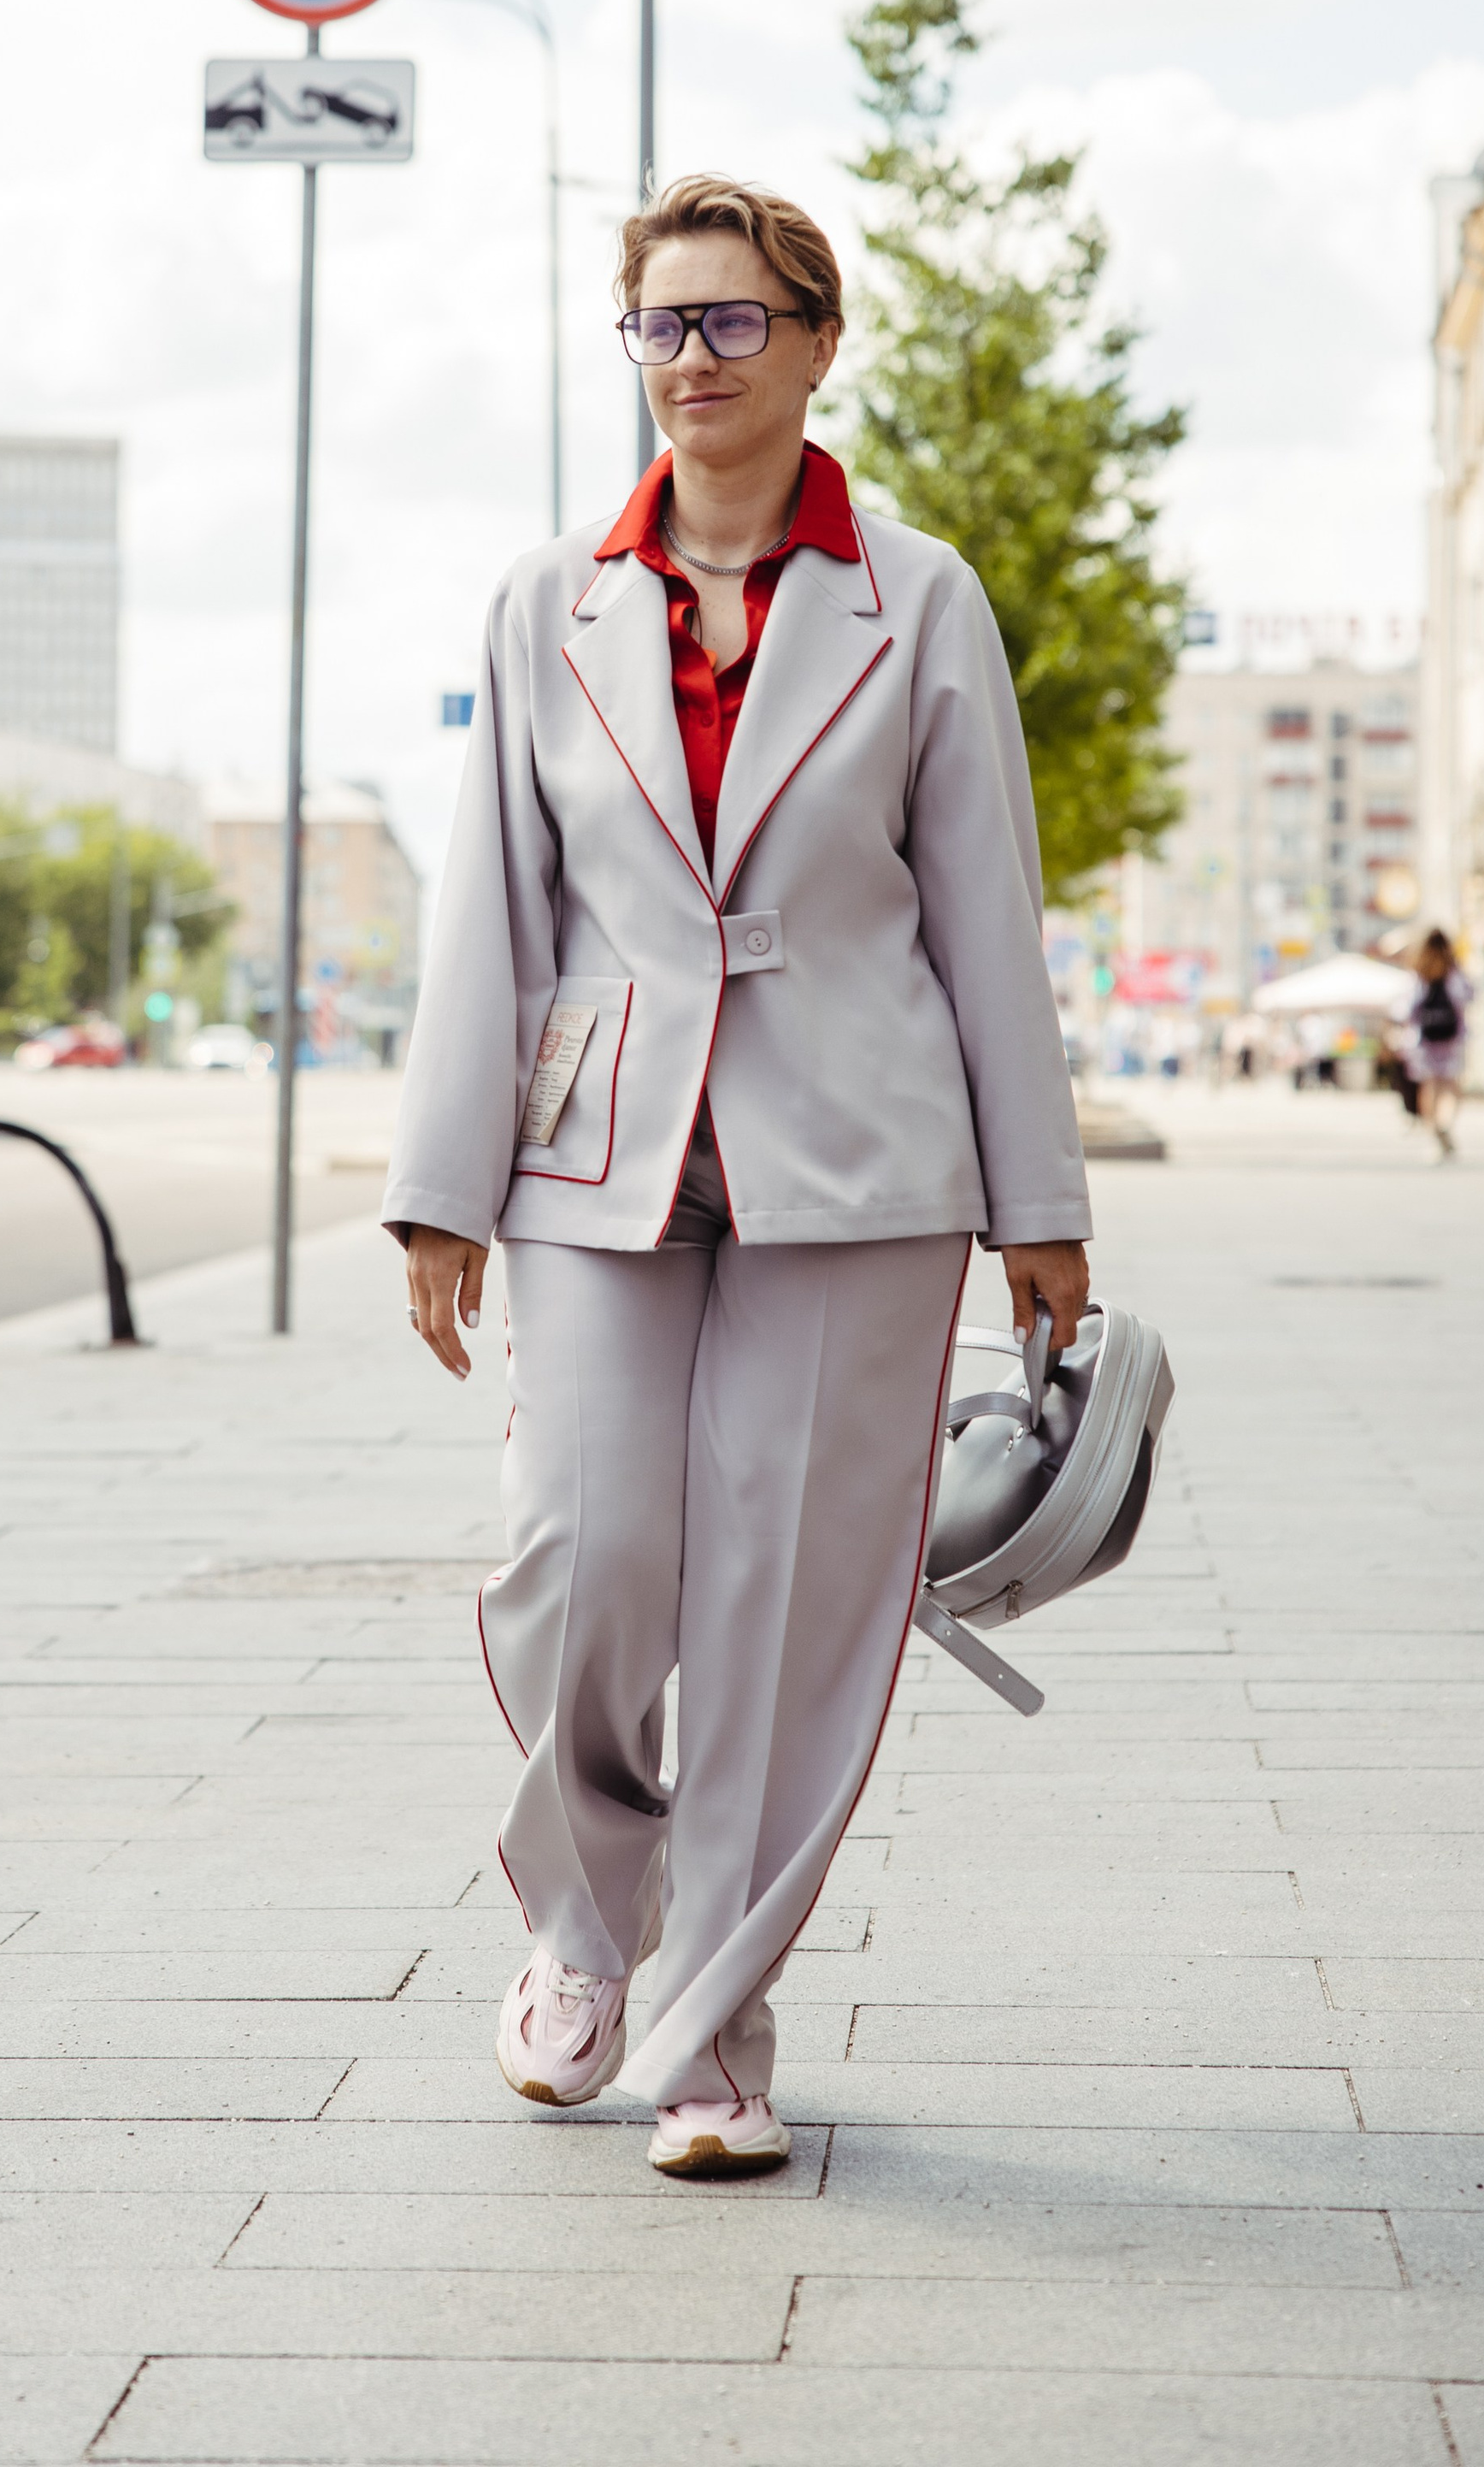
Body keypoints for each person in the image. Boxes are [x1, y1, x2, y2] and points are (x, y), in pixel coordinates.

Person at [383, 174, 1090, 2181]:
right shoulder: (544, 603)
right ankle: (580, 1926)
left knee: (783, 1598)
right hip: (598, 1149)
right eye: (658, 324)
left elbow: (983, 910)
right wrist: (440, 1191)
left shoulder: (916, 598)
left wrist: (1036, 1202)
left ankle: (710, 2033)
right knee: (582, 1549)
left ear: (813, 342)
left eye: (728, 321)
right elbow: (490, 909)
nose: (688, 358)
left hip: (857, 1160)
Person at [1404, 926, 1471, 1157]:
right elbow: (1468, 995)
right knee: (1451, 1084)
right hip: (1452, 1037)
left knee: (1430, 1085)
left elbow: (1408, 1008)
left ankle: (1433, 1130)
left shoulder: (1419, 972)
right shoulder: (1454, 970)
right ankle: (1446, 1125)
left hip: (1425, 1038)